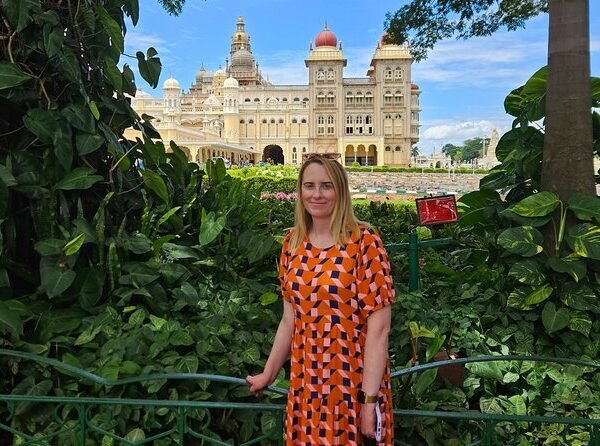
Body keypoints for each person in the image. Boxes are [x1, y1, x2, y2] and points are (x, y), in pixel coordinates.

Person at [246, 154, 395, 445]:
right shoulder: (293, 243)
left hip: (352, 383)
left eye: (326, 186)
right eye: (309, 186)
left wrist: (369, 400)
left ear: (340, 191)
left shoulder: (364, 243)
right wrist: (268, 374)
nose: (317, 194)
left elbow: (379, 330)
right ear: (300, 191)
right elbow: (289, 320)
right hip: (306, 384)